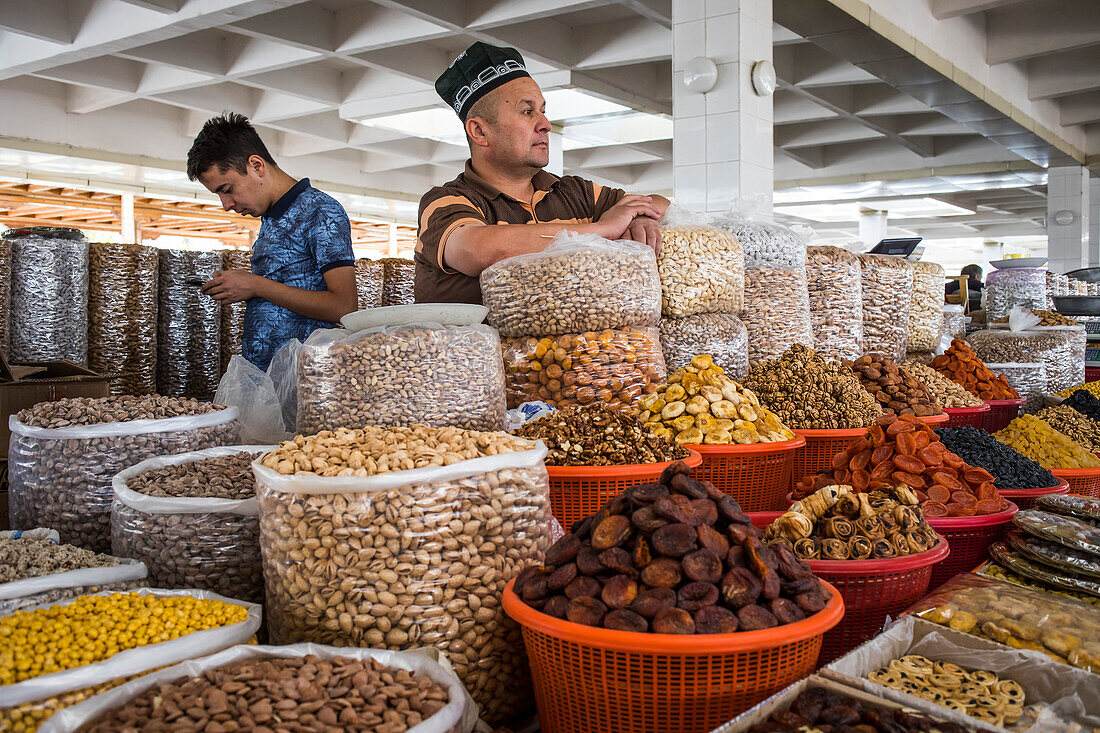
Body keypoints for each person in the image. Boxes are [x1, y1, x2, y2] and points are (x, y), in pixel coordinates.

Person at [416, 41, 670, 304]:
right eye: (527, 112)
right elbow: (480, 249)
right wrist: (603, 229)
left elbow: (661, 204)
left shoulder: (574, 193)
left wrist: (641, 218)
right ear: (479, 131)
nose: (546, 125)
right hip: (475, 346)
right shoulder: (445, 202)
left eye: (543, 111)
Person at [186, 113, 358, 370]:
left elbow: (344, 306)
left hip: (306, 381)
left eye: (227, 189)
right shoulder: (271, 219)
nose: (226, 205)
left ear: (256, 166)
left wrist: (255, 286)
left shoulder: (321, 211)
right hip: (268, 381)